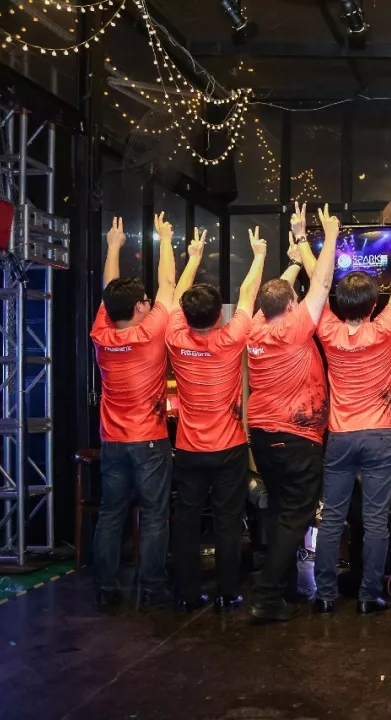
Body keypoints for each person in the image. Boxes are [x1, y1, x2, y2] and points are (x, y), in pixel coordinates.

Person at [312, 200, 391, 616]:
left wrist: (316, 242)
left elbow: (318, 283)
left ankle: (325, 596)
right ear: (373, 303)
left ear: (339, 303)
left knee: (333, 518)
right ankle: (368, 597)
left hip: (341, 437)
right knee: (376, 519)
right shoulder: (385, 329)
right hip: (378, 437)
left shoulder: (327, 329)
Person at [165, 226, 268, 612]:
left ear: (187, 315)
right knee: (228, 521)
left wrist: (193, 258)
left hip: (189, 449)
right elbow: (247, 293)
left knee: (187, 521)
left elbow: (176, 296)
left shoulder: (176, 337)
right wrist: (259, 255)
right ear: (218, 314)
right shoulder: (231, 338)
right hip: (228, 449)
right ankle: (228, 591)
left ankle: (186, 593)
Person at [246, 202, 339, 622]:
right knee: (294, 515)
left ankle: (280, 590)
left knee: (282, 510)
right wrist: (322, 237)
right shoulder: (294, 327)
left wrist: (293, 264)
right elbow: (322, 284)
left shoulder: (256, 326)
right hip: (295, 437)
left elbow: (278, 292)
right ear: (290, 306)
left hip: (263, 436)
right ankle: (267, 597)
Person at [89, 214, 177, 610]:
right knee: (155, 515)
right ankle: (153, 588)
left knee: (111, 514)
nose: (148, 303)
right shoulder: (149, 331)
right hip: (150, 441)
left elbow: (109, 291)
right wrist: (165, 239)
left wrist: (113, 247)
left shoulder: (102, 333)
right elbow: (168, 285)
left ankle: (106, 589)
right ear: (140, 306)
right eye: (144, 301)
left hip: (113, 441)